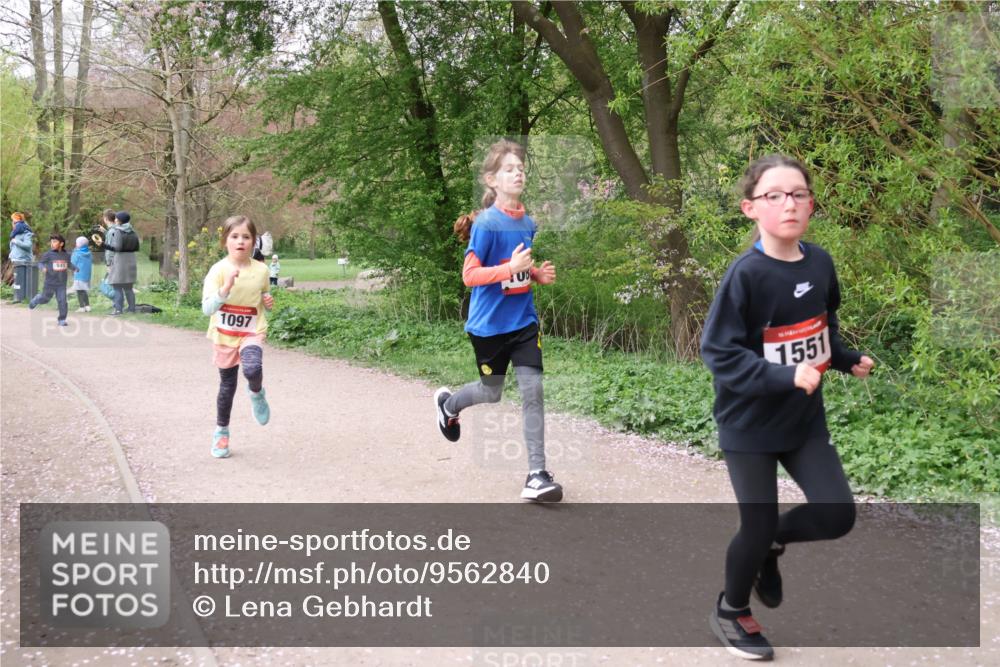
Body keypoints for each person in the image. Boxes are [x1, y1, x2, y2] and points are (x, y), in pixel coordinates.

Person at [700, 154, 875, 660]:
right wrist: (780, 375)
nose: (789, 203)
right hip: (748, 425)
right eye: (774, 195)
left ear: (811, 204)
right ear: (750, 208)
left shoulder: (820, 263)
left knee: (837, 514)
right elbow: (719, 353)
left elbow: (821, 327)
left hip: (802, 423)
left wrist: (843, 359)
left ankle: (767, 547)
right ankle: (731, 611)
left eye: (798, 193)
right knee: (754, 524)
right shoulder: (745, 275)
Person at [433, 139, 561, 502]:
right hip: (489, 327)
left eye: (520, 167)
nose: (518, 172)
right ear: (492, 180)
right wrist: (510, 269)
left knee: (533, 391)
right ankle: (448, 406)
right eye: (509, 168)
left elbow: (516, 266)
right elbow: (470, 276)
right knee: (491, 393)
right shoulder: (487, 225)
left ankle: (537, 474)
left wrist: (535, 274)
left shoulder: (528, 222)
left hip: (523, 323)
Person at [201, 215, 274, 458]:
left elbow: (263, 296)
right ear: (225, 241)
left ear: (253, 242)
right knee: (227, 386)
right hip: (224, 334)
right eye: (234, 236)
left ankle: (256, 392)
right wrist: (225, 289)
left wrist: (268, 301)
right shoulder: (218, 270)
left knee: (252, 369)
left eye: (246, 237)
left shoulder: (262, 270)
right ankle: (222, 433)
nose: (240, 241)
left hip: (252, 330)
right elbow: (207, 308)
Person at [29, 233, 76, 326]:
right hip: (50, 283)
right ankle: (36, 299)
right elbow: (40, 263)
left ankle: (62, 319)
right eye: (51, 242)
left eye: (54, 242)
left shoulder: (66, 255)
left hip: (61, 283)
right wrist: (43, 268)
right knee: (45, 299)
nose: (52, 244)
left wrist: (75, 268)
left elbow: (69, 264)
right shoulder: (48, 255)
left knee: (62, 300)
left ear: (61, 244)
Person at [105, 210, 138, 315]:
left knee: (117, 286)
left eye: (116, 218)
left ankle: (118, 310)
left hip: (120, 261)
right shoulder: (133, 231)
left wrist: (103, 245)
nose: (115, 220)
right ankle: (131, 309)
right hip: (131, 259)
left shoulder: (118, 231)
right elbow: (137, 246)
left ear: (120, 220)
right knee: (129, 287)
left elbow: (116, 248)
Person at [8, 212, 35, 303]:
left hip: (24, 260)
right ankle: (18, 298)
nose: (13, 224)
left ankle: (23, 298)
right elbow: (13, 248)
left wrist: (16, 241)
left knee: (23, 280)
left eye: (15, 222)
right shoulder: (15, 234)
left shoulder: (26, 234)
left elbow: (28, 245)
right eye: (13, 222)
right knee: (18, 280)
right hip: (16, 260)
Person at [71, 236, 93, 312]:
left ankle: (81, 307)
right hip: (87, 275)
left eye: (77, 243)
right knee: (84, 290)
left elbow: (72, 262)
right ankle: (87, 306)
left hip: (78, 274)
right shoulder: (89, 253)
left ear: (79, 244)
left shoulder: (77, 253)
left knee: (79, 291)